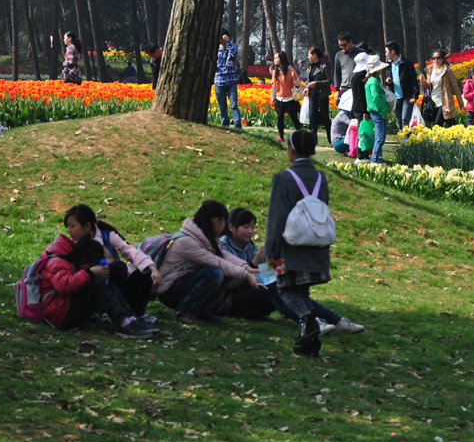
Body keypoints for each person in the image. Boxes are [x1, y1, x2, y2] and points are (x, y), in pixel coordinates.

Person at [221, 208, 363, 334]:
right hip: (232, 302)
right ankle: (311, 323)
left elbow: (263, 275)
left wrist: (274, 265)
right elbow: (227, 284)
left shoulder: (250, 246)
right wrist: (254, 263)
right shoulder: (223, 246)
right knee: (278, 289)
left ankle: (336, 321)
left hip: (256, 294)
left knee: (289, 287)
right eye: (246, 227)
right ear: (232, 227)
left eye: (253, 227)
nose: (251, 231)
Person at [264, 130, 335, 358]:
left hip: (288, 249)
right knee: (302, 292)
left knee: (284, 290)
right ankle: (309, 345)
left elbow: (276, 218)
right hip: (315, 247)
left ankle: (308, 321)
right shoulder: (321, 179)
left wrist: (270, 252)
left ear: (291, 150)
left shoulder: (283, 178)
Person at [154, 200, 261, 325]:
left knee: (223, 272)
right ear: (216, 221)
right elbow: (214, 260)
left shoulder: (205, 238)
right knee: (215, 273)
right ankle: (184, 311)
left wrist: (247, 267)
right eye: (223, 222)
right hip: (170, 290)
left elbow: (223, 255)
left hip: (185, 283)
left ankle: (203, 310)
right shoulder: (187, 241)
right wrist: (246, 275)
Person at [37, 235, 157, 339]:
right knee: (94, 282)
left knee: (104, 283)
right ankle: (123, 323)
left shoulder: (72, 259)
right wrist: (90, 273)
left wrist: (103, 278)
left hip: (66, 306)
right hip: (58, 314)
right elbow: (65, 286)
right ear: (82, 258)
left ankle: (130, 318)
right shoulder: (57, 262)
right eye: (89, 266)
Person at [63, 204, 161, 327]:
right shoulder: (72, 245)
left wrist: (152, 268)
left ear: (87, 226)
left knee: (126, 269)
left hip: (115, 285)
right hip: (92, 289)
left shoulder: (108, 237)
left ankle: (135, 314)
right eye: (68, 227)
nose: (68, 231)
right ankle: (104, 312)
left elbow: (132, 252)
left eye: (72, 226)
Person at [419, 49, 464, 127]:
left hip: (444, 101)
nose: (435, 60)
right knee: (449, 121)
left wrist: (461, 103)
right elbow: (428, 87)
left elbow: (455, 87)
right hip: (433, 101)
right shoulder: (430, 70)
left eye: (438, 58)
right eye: (433, 58)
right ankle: (460, 133)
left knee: (437, 124)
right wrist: (423, 81)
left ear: (443, 59)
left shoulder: (448, 71)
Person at [384, 41, 420, 131]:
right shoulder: (389, 65)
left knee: (405, 119)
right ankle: (405, 138)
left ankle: (406, 143)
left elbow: (413, 80)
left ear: (393, 52)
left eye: (386, 51)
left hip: (407, 96)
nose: (385, 54)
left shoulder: (406, 63)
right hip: (396, 97)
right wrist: (388, 82)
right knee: (399, 119)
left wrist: (415, 95)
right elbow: (389, 77)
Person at [364, 55, 391, 164]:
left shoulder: (371, 80)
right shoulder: (374, 82)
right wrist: (383, 112)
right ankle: (374, 160)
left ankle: (378, 159)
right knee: (380, 138)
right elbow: (377, 99)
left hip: (375, 112)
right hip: (378, 112)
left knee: (380, 137)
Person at [270, 51, 302, 142]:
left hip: (291, 99)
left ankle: (301, 136)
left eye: (277, 58)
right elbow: (274, 86)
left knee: (294, 118)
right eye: (275, 58)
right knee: (280, 118)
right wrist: (272, 98)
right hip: (279, 99)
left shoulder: (290, 69)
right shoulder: (275, 71)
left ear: (282, 59)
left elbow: (298, 84)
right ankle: (281, 137)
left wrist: (295, 78)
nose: (275, 60)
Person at [215, 28, 242, 128]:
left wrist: (228, 42)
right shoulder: (216, 49)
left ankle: (237, 125)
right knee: (222, 107)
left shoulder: (233, 46)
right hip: (219, 81)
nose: (221, 41)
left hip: (231, 81)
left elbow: (234, 54)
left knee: (234, 105)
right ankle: (224, 125)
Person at [306, 46, 332, 144]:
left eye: (309, 55)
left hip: (322, 95)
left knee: (325, 117)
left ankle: (331, 139)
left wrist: (317, 84)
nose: (308, 57)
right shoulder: (310, 67)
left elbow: (329, 81)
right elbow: (309, 81)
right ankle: (313, 141)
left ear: (314, 55)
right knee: (312, 117)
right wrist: (307, 88)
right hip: (312, 95)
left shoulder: (324, 66)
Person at [333, 31, 365, 105]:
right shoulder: (338, 55)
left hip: (358, 87)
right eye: (340, 45)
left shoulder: (361, 53)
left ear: (350, 41)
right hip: (345, 88)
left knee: (358, 113)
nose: (343, 47)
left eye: (344, 45)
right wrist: (337, 90)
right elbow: (336, 74)